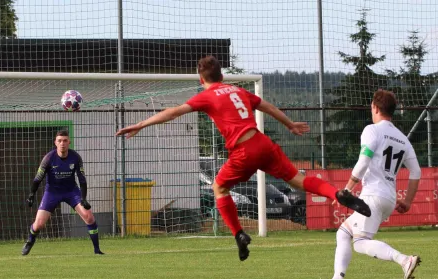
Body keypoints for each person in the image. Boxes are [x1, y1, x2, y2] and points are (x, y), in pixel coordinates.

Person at [116, 55, 371, 261]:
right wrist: (290, 124)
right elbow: (267, 106)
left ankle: (238, 234)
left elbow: (173, 112)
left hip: (243, 150)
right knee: (299, 180)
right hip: (262, 143)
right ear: (222, 75)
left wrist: (141, 123)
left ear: (200, 78)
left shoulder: (206, 95)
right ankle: (338, 194)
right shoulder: (237, 91)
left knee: (219, 187)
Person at [316, 90, 421, 279]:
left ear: (375, 107)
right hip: (388, 198)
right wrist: (407, 201)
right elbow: (415, 172)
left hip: (372, 195)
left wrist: (346, 190)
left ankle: (405, 260)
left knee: (361, 242)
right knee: (344, 232)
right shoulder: (403, 139)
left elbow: (364, 160)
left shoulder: (372, 130)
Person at [22, 129, 104, 256]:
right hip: (52, 192)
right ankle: (29, 241)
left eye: (65, 141)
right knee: (38, 224)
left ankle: (97, 250)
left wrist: (83, 198)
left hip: (71, 191)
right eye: (59, 141)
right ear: (55, 142)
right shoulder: (48, 158)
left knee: (89, 217)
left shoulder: (75, 157)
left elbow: (82, 179)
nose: (62, 143)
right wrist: (31, 195)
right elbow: (38, 178)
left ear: (69, 142)